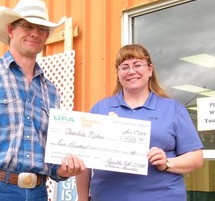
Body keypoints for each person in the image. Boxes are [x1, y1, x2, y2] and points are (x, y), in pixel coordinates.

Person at [0, 0, 85, 201]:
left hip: (38, 192)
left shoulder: (50, 91)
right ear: (11, 30)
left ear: (47, 36)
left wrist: (63, 170)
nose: (34, 33)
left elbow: (50, 153)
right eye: (27, 26)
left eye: (41, 29)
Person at [76, 44, 203, 201]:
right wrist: (82, 198)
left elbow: (196, 158)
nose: (131, 71)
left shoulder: (172, 109)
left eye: (137, 65)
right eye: (124, 67)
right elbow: (85, 159)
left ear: (150, 70)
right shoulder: (100, 109)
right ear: (118, 73)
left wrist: (167, 162)